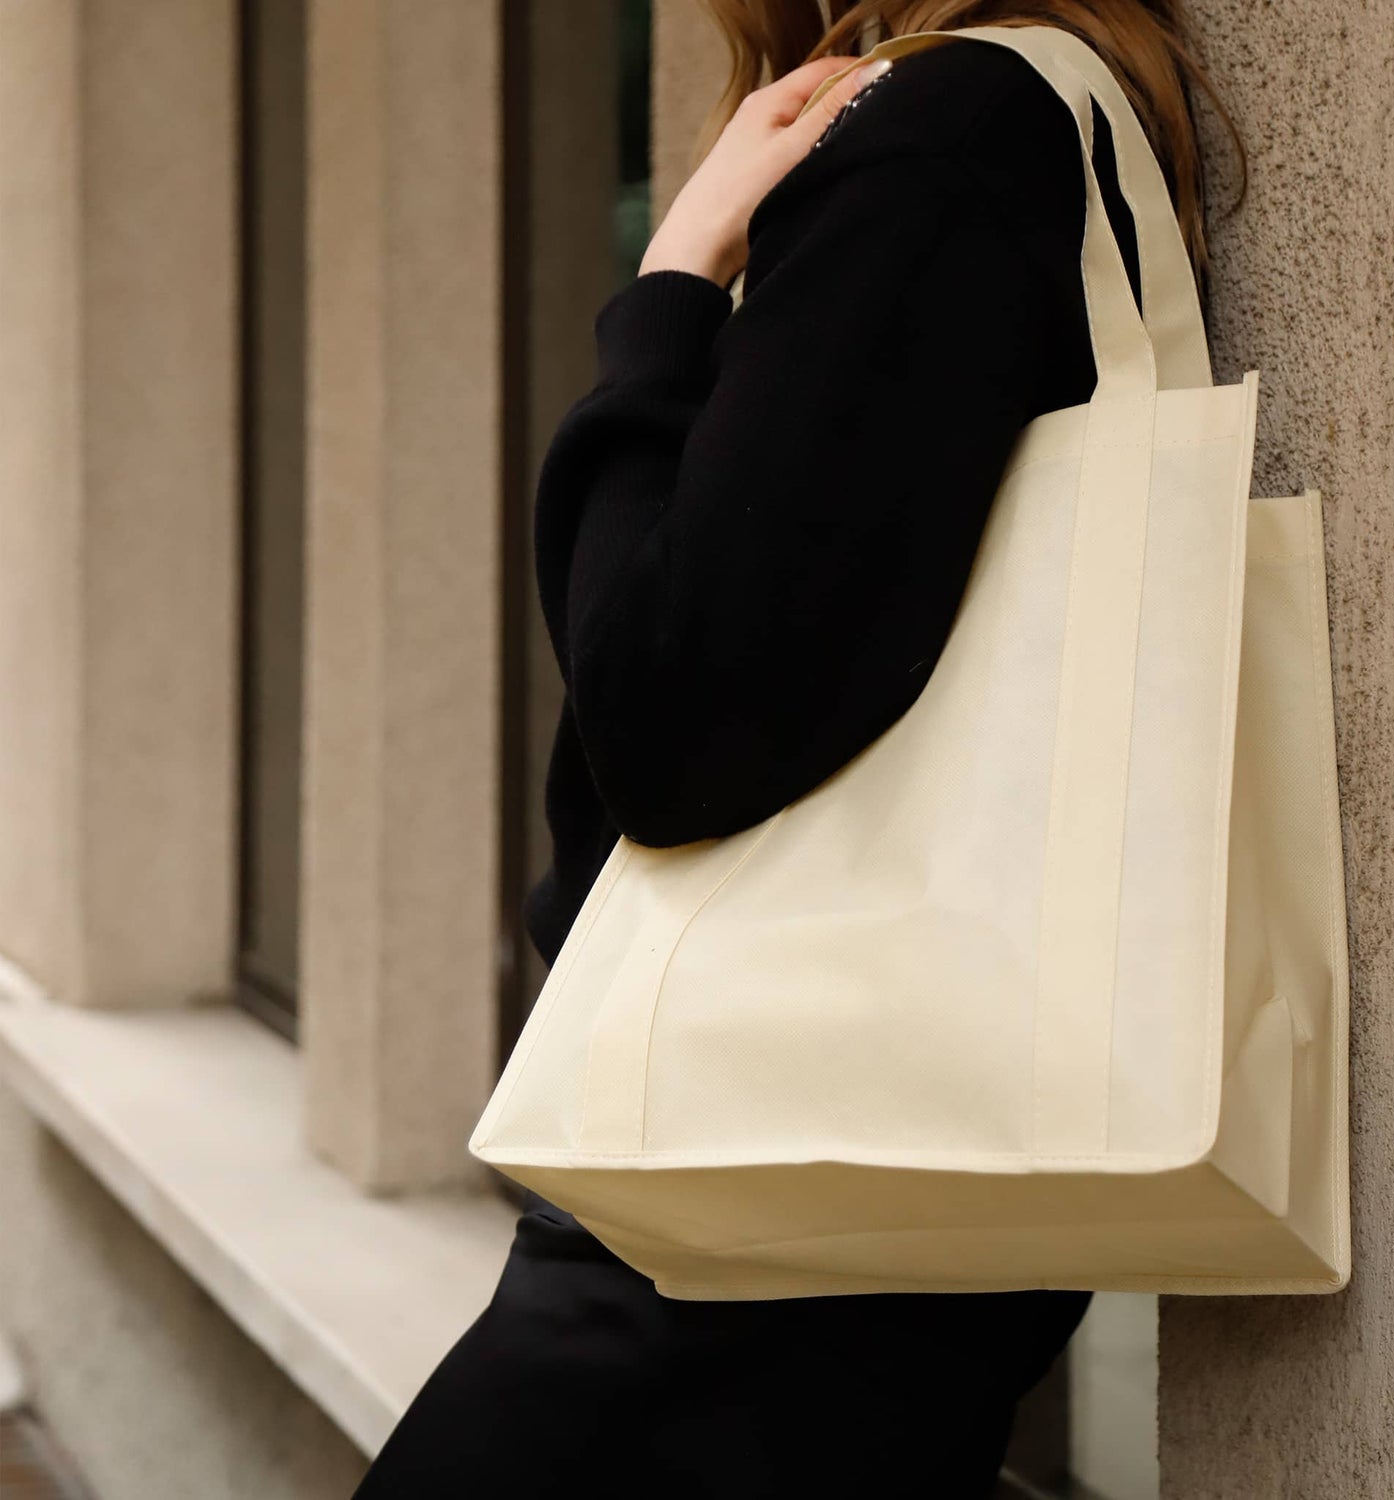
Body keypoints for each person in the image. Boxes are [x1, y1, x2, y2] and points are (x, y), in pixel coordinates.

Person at [353, 3, 1241, 1495]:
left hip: (764, 1202)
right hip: (873, 1153)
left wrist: (667, 294)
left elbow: (667, 721)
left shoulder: (942, 138)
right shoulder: (1004, 120)